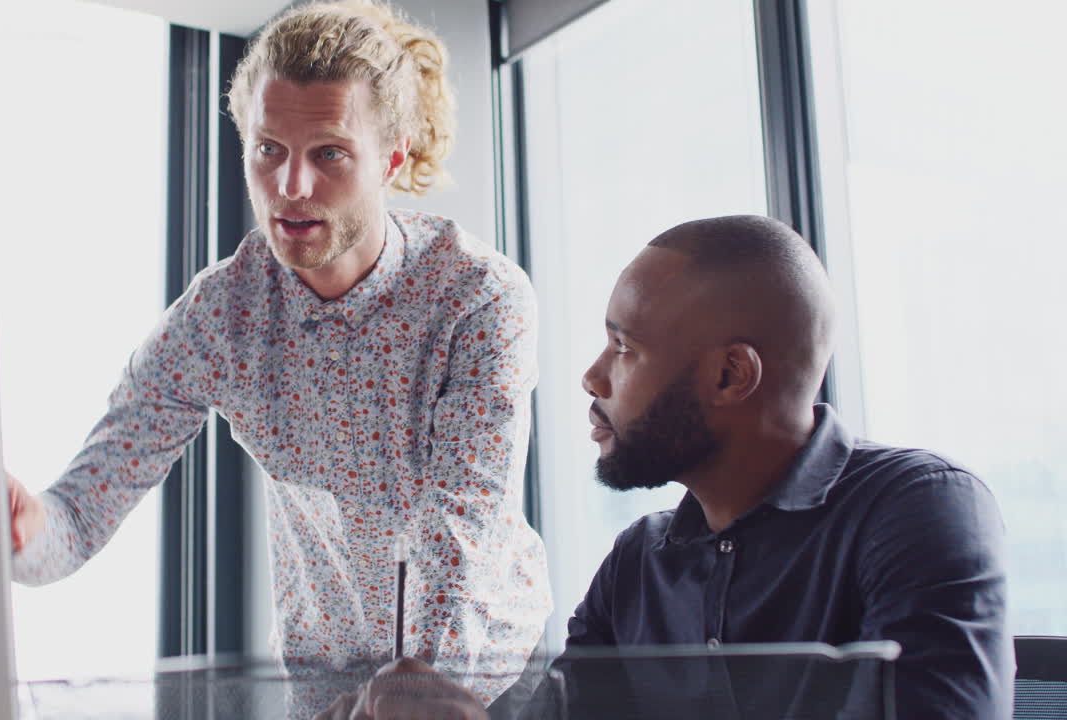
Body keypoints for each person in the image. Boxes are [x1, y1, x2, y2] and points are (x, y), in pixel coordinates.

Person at [5, 0, 551, 707]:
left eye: (328, 153)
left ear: (390, 158)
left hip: (480, 682)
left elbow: (462, 531)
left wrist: (418, 686)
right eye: (270, 150)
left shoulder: (478, 299)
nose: (291, 186)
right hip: (327, 691)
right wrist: (23, 530)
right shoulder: (220, 317)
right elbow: (77, 517)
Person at [339, 215, 1013, 719]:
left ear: (728, 374)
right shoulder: (637, 564)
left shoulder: (919, 510)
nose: (592, 376)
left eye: (622, 347)